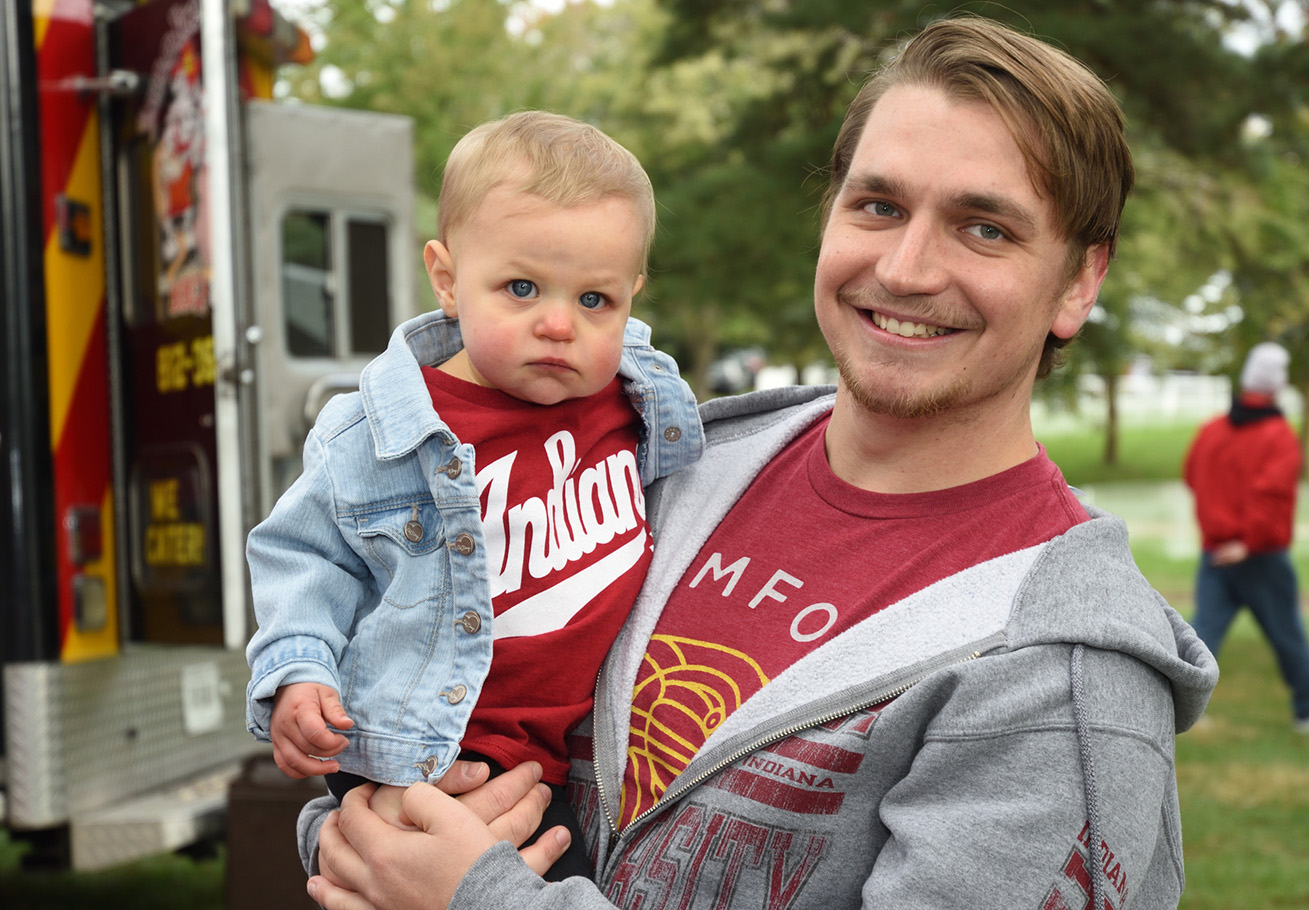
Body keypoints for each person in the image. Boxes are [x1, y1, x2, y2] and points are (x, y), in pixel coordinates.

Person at [301, 17, 1220, 910]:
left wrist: (476, 897)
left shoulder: (1060, 681)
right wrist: (359, 833)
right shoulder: (663, 468)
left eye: (985, 228)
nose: (903, 269)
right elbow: (425, 679)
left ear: (1078, 282)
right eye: (879, 205)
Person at [243, 110, 704, 881]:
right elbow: (302, 559)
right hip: (417, 756)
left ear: (633, 295)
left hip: (562, 768)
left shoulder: (635, 407)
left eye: (596, 301)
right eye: (521, 288)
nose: (558, 324)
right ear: (448, 278)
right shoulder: (378, 435)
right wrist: (298, 674)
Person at [1184, 341, 1309, 734]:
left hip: (1215, 551)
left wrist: (1218, 527)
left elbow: (1193, 477)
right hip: (1256, 554)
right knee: (1286, 631)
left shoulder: (1211, 431)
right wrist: (1247, 542)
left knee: (1200, 636)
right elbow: (1271, 497)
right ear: (1278, 385)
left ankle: (1176, 713)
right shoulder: (1278, 435)